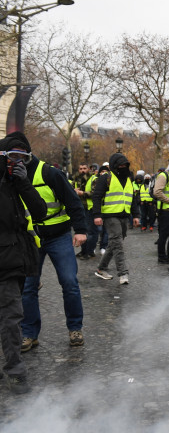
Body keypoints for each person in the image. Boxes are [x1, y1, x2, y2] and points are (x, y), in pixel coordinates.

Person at [18, 132, 88, 352]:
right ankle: (29, 333)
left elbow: (72, 200)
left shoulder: (50, 173)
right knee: (28, 287)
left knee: (69, 283)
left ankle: (75, 328)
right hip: (30, 240)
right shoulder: (9, 176)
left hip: (58, 236)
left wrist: (80, 230)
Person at [0, 135, 46, 394]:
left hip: (17, 258)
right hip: (5, 259)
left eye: (23, 158)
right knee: (10, 315)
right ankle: (15, 370)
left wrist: (23, 183)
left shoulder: (18, 181)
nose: (18, 162)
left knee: (10, 314)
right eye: (13, 156)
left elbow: (39, 212)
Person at [92, 153, 140, 284]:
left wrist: (136, 215)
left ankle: (101, 269)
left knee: (114, 243)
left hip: (125, 216)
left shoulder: (130, 179)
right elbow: (96, 197)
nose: (123, 167)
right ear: (114, 165)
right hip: (110, 216)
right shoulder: (106, 178)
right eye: (120, 165)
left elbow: (133, 199)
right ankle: (123, 273)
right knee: (118, 245)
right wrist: (97, 215)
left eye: (125, 165)